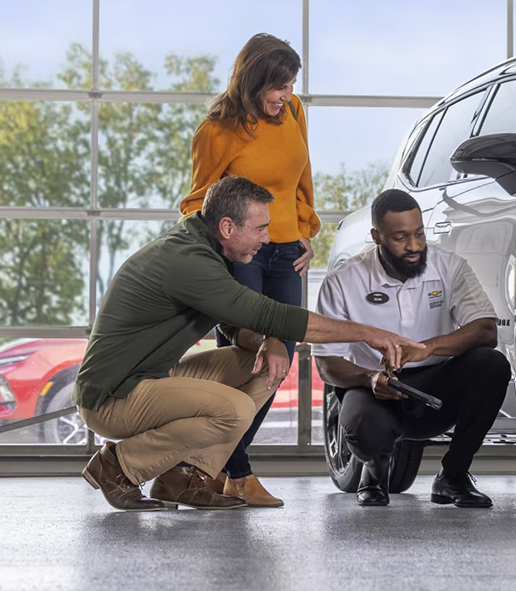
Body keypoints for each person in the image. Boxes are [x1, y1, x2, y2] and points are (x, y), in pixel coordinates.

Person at [76, 177, 424, 511]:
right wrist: (370, 333)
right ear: (227, 227)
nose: (268, 239)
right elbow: (271, 313)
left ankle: (183, 477)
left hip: (152, 378)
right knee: (235, 410)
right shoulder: (190, 261)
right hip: (112, 397)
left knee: (263, 368)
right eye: (260, 229)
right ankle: (118, 466)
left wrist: (266, 342)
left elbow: (232, 323)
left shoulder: (207, 249)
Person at [179, 33, 318, 507]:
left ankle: (218, 469)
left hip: (286, 254)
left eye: (292, 83)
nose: (286, 94)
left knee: (281, 359)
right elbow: (196, 203)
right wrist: (224, 253)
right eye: (278, 86)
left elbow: (303, 175)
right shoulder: (216, 131)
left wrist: (304, 229)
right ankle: (236, 471)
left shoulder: (294, 111)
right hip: (243, 255)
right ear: (254, 80)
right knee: (246, 357)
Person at [313, 189, 509, 508]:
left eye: (418, 234)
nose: (414, 246)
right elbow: (326, 365)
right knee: (364, 426)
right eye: (401, 237)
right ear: (376, 236)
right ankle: (374, 474)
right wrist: (369, 379)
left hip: (436, 388)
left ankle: (453, 477)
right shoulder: (343, 281)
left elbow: (486, 330)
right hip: (375, 388)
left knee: (493, 365)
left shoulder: (449, 267)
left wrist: (428, 348)